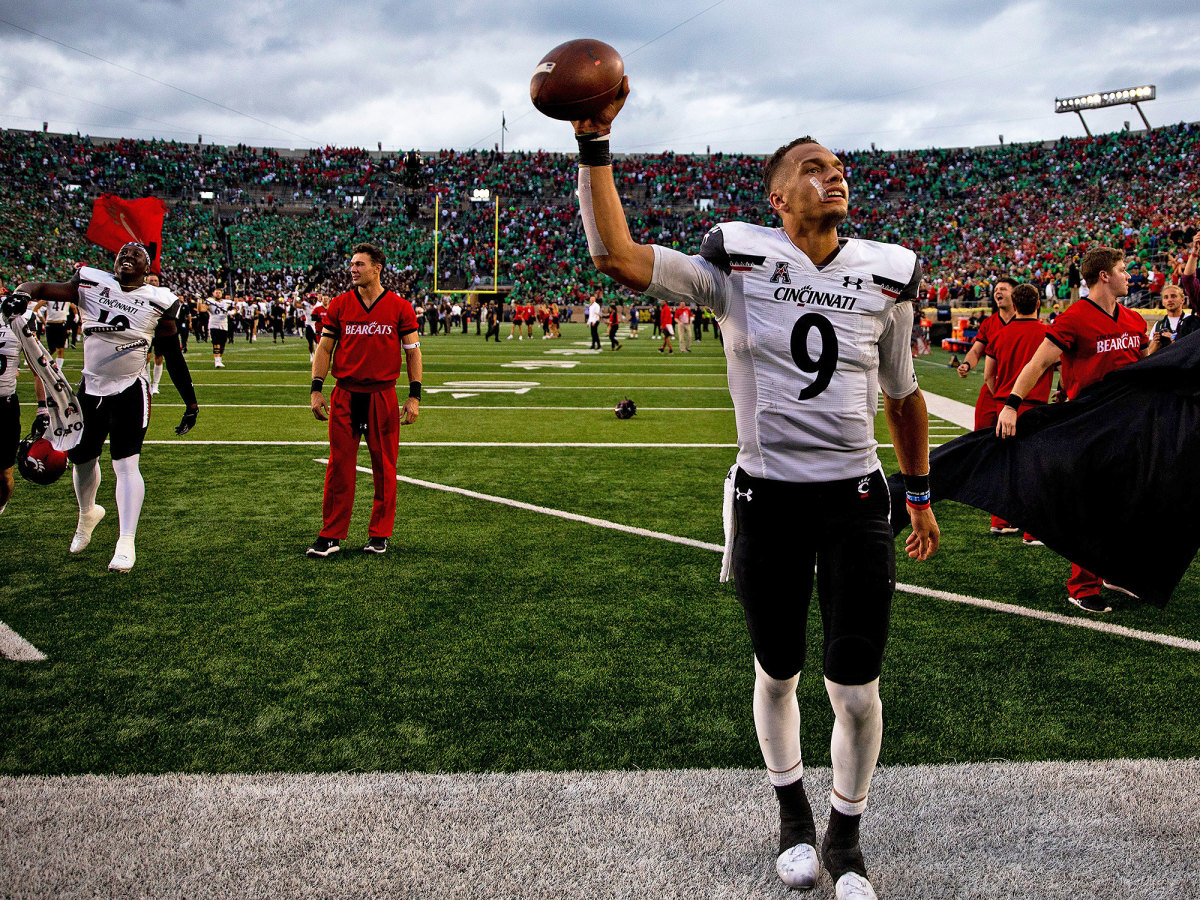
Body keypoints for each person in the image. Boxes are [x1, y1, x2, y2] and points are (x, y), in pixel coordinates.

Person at [565, 82, 938, 900]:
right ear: (777, 198)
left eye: (837, 166)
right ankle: (792, 816)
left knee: (856, 685)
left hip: (856, 499)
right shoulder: (737, 262)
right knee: (778, 671)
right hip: (768, 500)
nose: (833, 175)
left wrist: (918, 492)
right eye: (812, 167)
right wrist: (594, 145)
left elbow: (903, 393)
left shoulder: (887, 273)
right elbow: (616, 257)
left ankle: (846, 835)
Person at [8, 242, 199, 571]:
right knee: (82, 459)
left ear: (148, 268)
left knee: (126, 464)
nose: (127, 256)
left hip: (130, 389)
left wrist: (190, 401)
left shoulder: (160, 300)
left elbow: (171, 353)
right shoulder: (91, 282)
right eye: (123, 253)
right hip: (91, 388)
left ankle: (126, 541)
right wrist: (21, 294)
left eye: (136, 255)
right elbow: (38, 286)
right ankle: (87, 515)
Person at [997, 247, 1150, 613]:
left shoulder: (1134, 319)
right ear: (1104, 276)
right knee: (1091, 506)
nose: (1129, 275)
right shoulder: (1074, 318)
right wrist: (1012, 404)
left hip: (1128, 425)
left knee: (1125, 504)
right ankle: (1083, 586)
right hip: (1089, 427)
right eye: (1123, 269)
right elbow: (1038, 363)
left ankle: (1114, 573)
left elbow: (1145, 368)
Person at [308, 244, 421, 557]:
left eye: (359, 264)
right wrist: (316, 388)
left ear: (377, 268)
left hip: (381, 395)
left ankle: (379, 534)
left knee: (384, 467)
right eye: (352, 264)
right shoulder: (340, 304)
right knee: (339, 466)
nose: (353, 269)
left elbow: (413, 353)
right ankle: (330, 535)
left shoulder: (400, 307)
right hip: (345, 393)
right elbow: (325, 349)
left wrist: (414, 396)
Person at [983, 283, 1052, 546]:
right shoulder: (1047, 334)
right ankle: (1032, 531)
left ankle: (1000, 521)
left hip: (1003, 406)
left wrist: (1000, 398)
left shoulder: (1000, 334)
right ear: (1038, 304)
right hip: (1034, 406)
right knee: (1034, 469)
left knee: (1006, 465)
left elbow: (989, 375)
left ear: (1014, 306)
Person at [956, 277, 1017, 534]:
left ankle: (1005, 499)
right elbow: (976, 350)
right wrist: (966, 364)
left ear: (1015, 294)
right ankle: (982, 489)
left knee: (1013, 447)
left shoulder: (1025, 320)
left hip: (1015, 392)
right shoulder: (990, 323)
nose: (998, 292)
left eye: (1003, 289)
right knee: (981, 440)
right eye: (996, 290)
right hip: (992, 391)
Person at [29, 295, 77, 374]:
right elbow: (39, 304)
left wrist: (76, 315)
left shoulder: (66, 298)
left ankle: (59, 369)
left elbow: (73, 307)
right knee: (52, 349)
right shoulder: (50, 297)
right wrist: (34, 312)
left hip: (62, 324)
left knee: (61, 348)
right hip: (50, 324)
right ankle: (42, 361)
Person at [201, 288, 231, 368]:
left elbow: (234, 309)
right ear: (213, 294)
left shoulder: (226, 302)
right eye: (216, 292)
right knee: (216, 343)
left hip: (224, 325)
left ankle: (219, 359)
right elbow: (202, 309)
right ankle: (217, 361)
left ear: (222, 294)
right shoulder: (210, 302)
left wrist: (232, 312)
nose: (218, 294)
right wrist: (199, 301)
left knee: (222, 345)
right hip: (214, 325)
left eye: (219, 292)